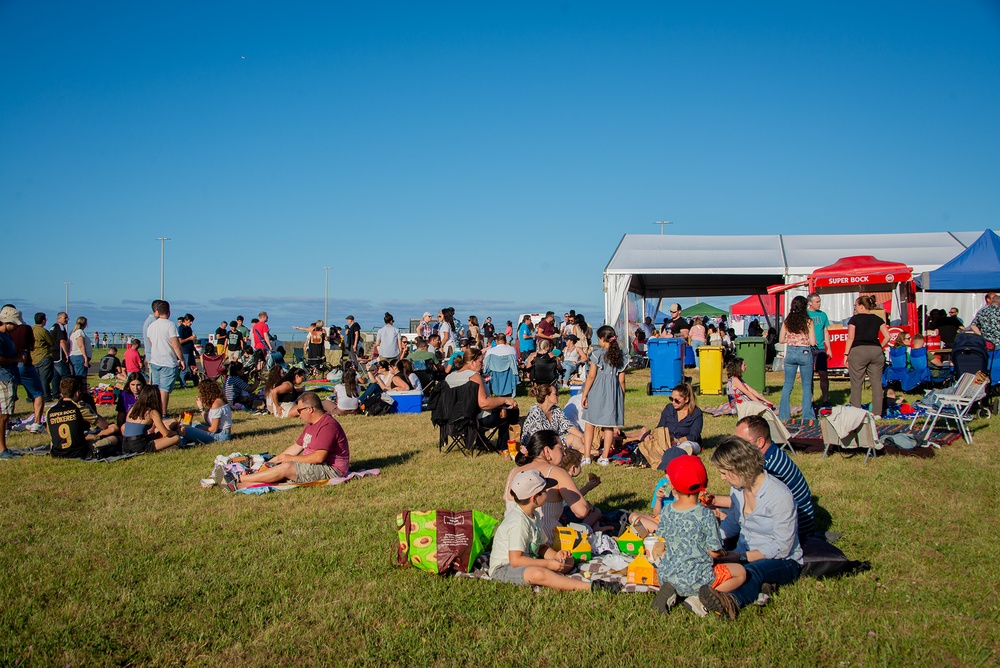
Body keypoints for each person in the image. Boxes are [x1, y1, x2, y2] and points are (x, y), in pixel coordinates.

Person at [701, 436, 803, 620]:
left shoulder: (779, 496)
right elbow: (733, 523)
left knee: (752, 571)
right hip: (744, 552)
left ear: (739, 468)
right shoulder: (738, 490)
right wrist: (712, 542)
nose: (722, 478)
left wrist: (741, 556)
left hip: (782, 560)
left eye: (724, 473)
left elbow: (782, 547)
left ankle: (730, 601)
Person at [490, 468, 620, 593]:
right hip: (505, 568)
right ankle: (591, 586)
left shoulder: (534, 515)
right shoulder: (518, 522)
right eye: (545, 490)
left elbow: (541, 547)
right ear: (535, 498)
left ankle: (555, 575)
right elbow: (515, 560)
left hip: (528, 560)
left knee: (567, 562)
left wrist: (556, 556)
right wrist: (547, 564)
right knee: (539, 573)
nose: (547, 493)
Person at [651, 455, 747, 616]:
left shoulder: (667, 511)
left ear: (672, 486)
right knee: (741, 572)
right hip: (698, 577)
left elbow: (663, 536)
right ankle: (701, 597)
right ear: (704, 483)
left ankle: (671, 590)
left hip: (667, 574)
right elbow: (714, 551)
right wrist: (724, 554)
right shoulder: (705, 515)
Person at [225, 392, 349, 490]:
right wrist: (272, 462)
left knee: (287, 467)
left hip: (331, 470)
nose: (298, 414)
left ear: (310, 409)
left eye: (300, 410)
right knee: (280, 464)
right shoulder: (311, 424)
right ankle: (242, 483)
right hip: (315, 465)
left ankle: (239, 479)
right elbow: (296, 447)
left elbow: (318, 458)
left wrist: (290, 459)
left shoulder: (327, 426)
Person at [724, 415, 816, 541]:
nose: (737, 446)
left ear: (760, 442)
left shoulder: (769, 468)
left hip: (794, 530)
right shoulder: (771, 455)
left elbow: (754, 506)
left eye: (742, 442)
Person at [505, 430, 601, 543]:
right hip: (546, 543)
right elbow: (581, 511)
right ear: (547, 451)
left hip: (511, 542)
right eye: (561, 449)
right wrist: (588, 506)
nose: (564, 453)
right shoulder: (557, 473)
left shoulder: (514, 472)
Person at [444, 348, 519, 445]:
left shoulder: (449, 377)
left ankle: (481, 441)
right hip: (473, 419)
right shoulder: (474, 376)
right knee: (510, 412)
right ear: (472, 362)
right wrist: (504, 399)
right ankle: (503, 446)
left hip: (451, 419)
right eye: (480, 361)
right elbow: (484, 404)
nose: (482, 364)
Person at [581, 325, 626, 467]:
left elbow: (591, 376)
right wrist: (621, 397)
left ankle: (587, 456)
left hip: (597, 390)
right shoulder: (621, 356)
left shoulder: (597, 354)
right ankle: (605, 457)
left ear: (601, 339)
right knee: (609, 426)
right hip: (613, 392)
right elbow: (622, 380)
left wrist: (584, 394)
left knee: (590, 423)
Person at [47, 377, 122, 459]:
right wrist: (89, 409)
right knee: (114, 438)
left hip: (57, 451)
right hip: (79, 451)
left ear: (61, 393)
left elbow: (51, 433)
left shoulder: (50, 411)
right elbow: (104, 425)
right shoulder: (79, 408)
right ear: (77, 393)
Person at [845, 295, 891, 417]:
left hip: (858, 351)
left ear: (861, 306)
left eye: (855, 305)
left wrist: (846, 354)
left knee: (856, 383)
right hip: (876, 351)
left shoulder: (854, 319)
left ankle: (856, 410)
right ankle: (877, 413)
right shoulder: (878, 319)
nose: (855, 308)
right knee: (876, 383)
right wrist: (879, 346)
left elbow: (851, 337)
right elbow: (888, 336)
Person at [778, 295, 817, 423]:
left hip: (790, 352)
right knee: (806, 385)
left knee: (787, 385)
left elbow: (781, 340)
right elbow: (812, 342)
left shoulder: (787, 321)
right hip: (804, 352)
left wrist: (790, 339)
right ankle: (808, 415)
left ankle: (783, 414)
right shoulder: (808, 321)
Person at [146, 301, 186, 416]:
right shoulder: (170, 325)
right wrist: (181, 359)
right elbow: (176, 345)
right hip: (168, 361)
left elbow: (151, 342)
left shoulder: (152, 325)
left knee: (156, 388)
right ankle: (163, 413)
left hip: (155, 360)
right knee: (164, 389)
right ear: (168, 312)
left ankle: (154, 412)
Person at [521, 383, 585, 452]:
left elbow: (568, 426)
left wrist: (582, 436)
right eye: (555, 394)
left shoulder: (556, 410)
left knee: (574, 437)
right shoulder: (535, 414)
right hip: (539, 445)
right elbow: (539, 439)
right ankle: (589, 453)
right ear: (547, 397)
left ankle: (586, 452)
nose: (558, 395)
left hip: (554, 441)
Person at [122, 385, 182, 453]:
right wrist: (177, 432)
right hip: (139, 446)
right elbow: (166, 433)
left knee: (157, 436)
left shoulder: (133, 408)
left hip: (125, 445)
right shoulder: (152, 412)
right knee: (176, 438)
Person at [654, 382, 703, 453]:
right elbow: (660, 427)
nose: (673, 402)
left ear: (686, 399)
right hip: (667, 441)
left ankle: (675, 452)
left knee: (687, 446)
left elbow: (694, 435)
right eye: (671, 399)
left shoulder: (696, 413)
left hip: (688, 442)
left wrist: (678, 441)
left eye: (676, 400)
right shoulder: (669, 408)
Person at [179, 380, 233, 444]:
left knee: (186, 430)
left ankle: (182, 442)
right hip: (218, 432)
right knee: (189, 425)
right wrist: (201, 409)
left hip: (220, 436)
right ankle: (185, 439)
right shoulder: (217, 401)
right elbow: (209, 422)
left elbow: (213, 429)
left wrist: (196, 430)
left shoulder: (216, 404)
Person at [0, 308, 22, 459]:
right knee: (4, 415)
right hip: (4, 378)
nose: (17, 327)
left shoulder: (7, 336)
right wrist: (17, 359)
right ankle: (2, 449)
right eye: (14, 324)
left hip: (9, 376)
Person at [806, 293, 833, 405]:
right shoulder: (805, 314)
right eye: (817, 301)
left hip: (821, 348)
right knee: (809, 375)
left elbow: (826, 332)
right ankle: (810, 399)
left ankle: (825, 399)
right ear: (810, 303)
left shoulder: (823, 315)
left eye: (820, 301)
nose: (819, 304)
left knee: (823, 374)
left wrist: (829, 348)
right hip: (809, 348)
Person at [30, 313, 55, 402]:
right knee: (44, 379)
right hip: (44, 355)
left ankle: (33, 396)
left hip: (33, 357)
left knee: (35, 379)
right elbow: (51, 341)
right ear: (43, 320)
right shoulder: (43, 331)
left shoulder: (31, 329)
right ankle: (46, 396)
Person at [50, 311, 72, 392]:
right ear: (59, 318)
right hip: (59, 355)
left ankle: (55, 392)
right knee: (65, 375)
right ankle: (67, 392)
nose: (67, 320)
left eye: (67, 318)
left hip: (53, 355)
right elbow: (62, 341)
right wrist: (66, 354)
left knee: (56, 376)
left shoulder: (52, 327)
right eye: (65, 318)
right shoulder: (60, 327)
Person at [176, 314, 198, 388]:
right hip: (184, 351)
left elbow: (191, 341)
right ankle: (183, 385)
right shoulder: (181, 329)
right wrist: (189, 338)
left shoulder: (189, 328)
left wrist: (195, 350)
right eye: (190, 321)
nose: (191, 323)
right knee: (184, 369)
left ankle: (196, 383)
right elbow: (180, 341)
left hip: (190, 350)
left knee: (194, 368)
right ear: (186, 320)